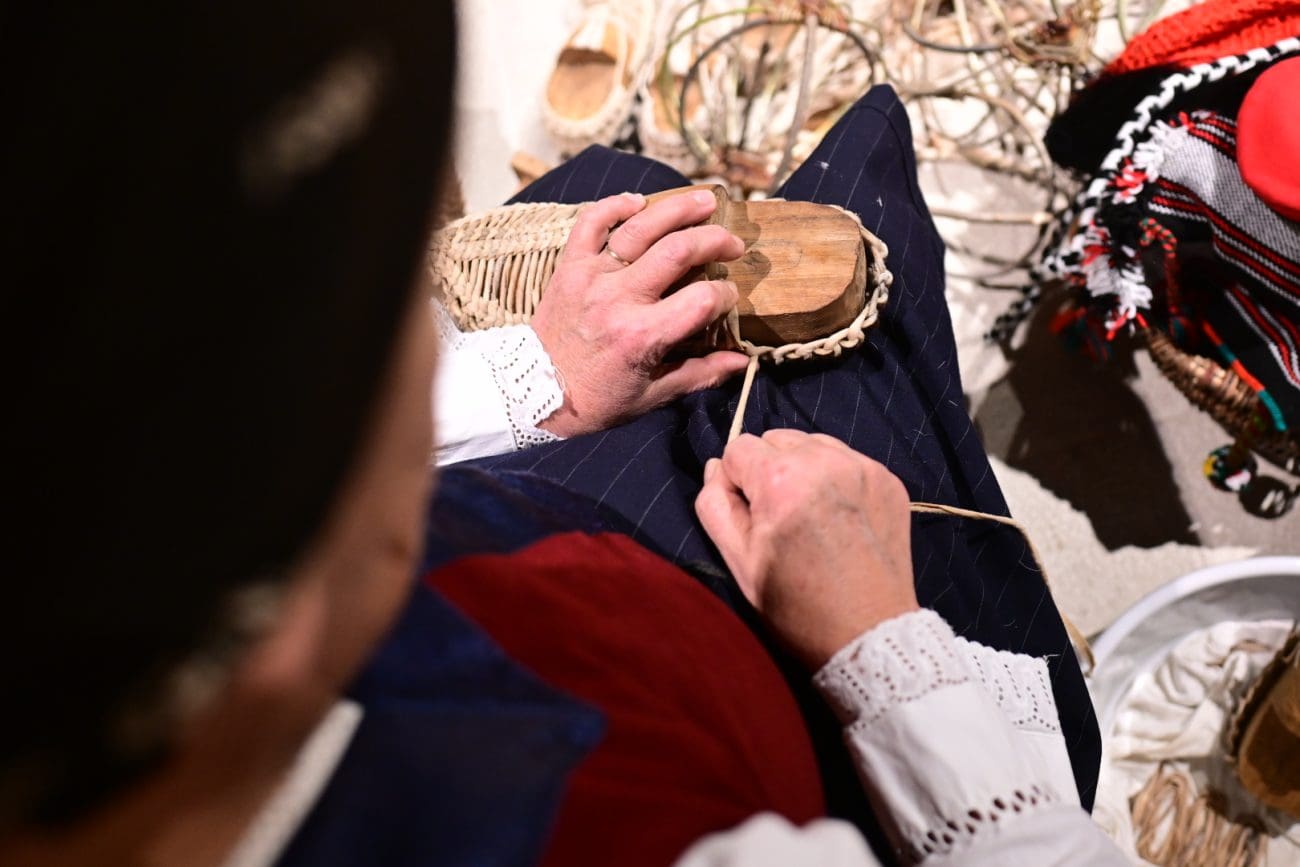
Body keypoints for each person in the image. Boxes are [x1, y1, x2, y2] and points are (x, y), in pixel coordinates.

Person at [3, 3, 1122, 866]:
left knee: (619, 195)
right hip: (757, 690)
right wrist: (881, 647)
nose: (435, 330)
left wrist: (536, 378)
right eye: (408, 310)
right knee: (859, 213)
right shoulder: (646, 834)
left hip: (538, 556)